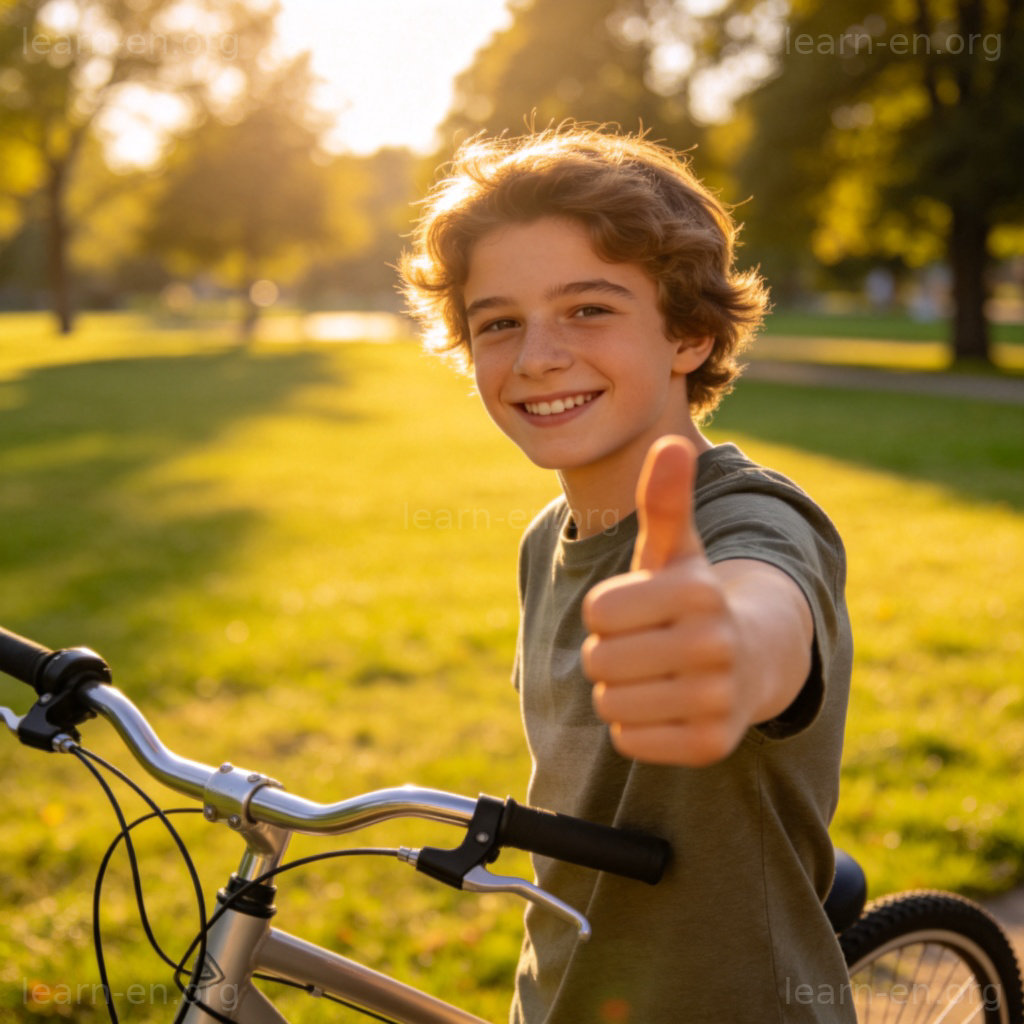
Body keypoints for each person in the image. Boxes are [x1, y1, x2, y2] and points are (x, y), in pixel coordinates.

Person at [399, 125, 854, 1023]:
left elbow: (763, 611)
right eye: (499, 324)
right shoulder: (545, 539)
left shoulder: (747, 517)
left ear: (687, 333)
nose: (535, 357)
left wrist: (722, 648)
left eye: (588, 309)